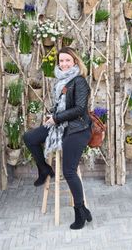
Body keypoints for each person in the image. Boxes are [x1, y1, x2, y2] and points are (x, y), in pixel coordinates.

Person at [23, 46, 92, 230]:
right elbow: (61, 106)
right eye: (61, 61)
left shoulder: (79, 81)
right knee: (29, 138)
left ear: (75, 62)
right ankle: (45, 169)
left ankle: (80, 211)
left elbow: (79, 109)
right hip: (60, 125)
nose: (64, 64)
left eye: (67, 60)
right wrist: (52, 116)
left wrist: (56, 118)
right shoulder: (60, 82)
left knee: (69, 171)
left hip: (77, 128)